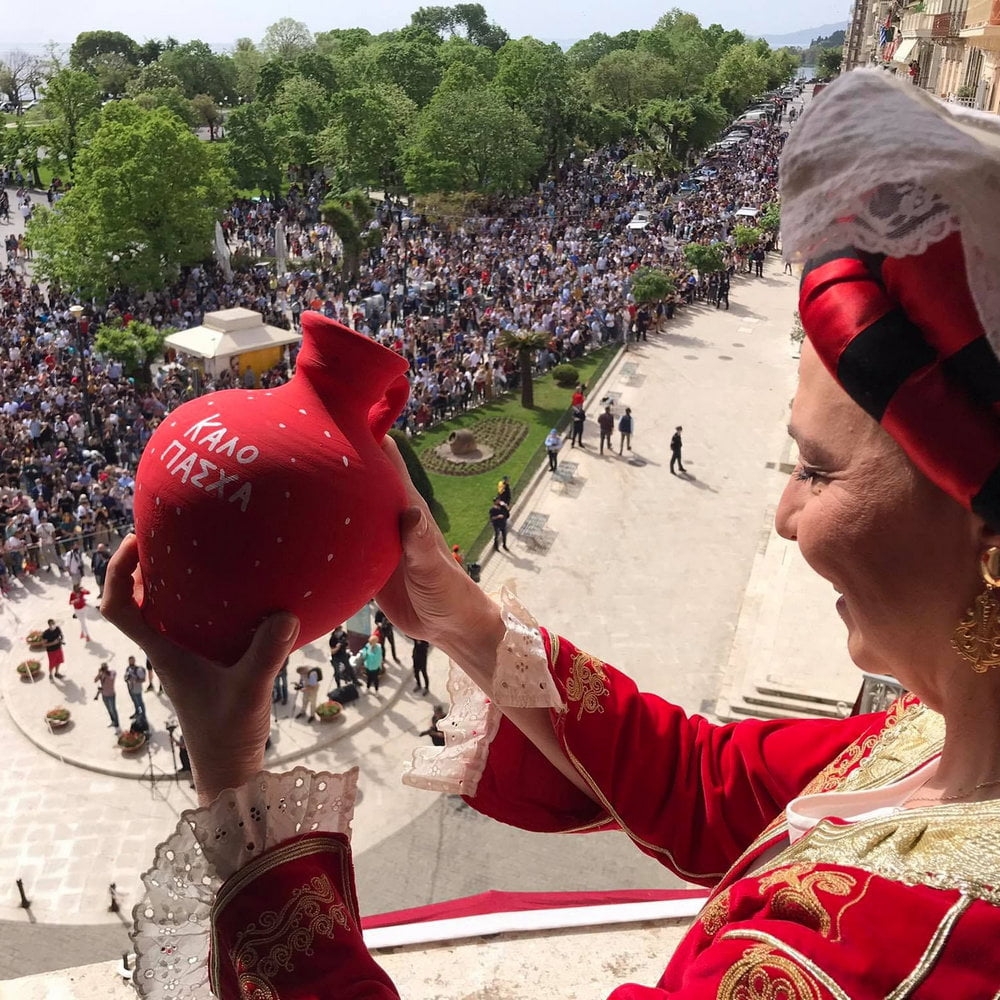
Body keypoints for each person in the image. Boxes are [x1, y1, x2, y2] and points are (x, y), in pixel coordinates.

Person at [105, 72, 1000, 998]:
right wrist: (463, 620)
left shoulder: (865, 960)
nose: (785, 513)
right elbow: (702, 787)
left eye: (816, 469)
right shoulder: (946, 732)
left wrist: (232, 775)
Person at [93, 663, 119, 730]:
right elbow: (95, 680)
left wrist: (105, 674)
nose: (104, 669)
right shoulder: (101, 675)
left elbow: (112, 678)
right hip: (104, 695)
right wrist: (99, 674)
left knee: (113, 709)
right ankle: (113, 721)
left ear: (107, 668)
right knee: (109, 709)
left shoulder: (112, 673)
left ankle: (116, 723)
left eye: (105, 668)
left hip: (111, 695)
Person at [124, 655, 147, 723]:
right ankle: (137, 713)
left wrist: (135, 680)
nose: (131, 662)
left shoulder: (138, 670)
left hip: (137, 690)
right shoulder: (128, 668)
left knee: (140, 704)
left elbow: (143, 679)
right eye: (130, 660)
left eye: (132, 660)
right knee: (135, 702)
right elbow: (126, 677)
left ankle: (143, 717)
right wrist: (126, 679)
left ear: (134, 661)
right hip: (131, 689)